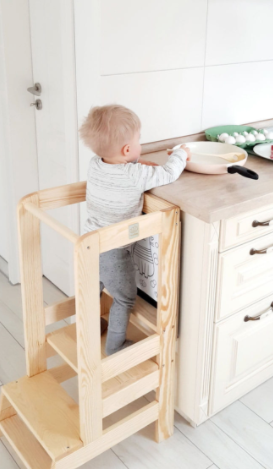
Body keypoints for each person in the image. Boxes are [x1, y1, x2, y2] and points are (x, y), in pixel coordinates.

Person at [79, 104, 190, 355]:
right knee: (124, 298)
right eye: (138, 140)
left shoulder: (95, 164)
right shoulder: (134, 175)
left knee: (92, 289)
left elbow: (122, 169)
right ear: (127, 150)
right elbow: (168, 173)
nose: (140, 144)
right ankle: (115, 346)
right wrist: (181, 154)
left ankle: (89, 329)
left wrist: (137, 163)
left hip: (88, 242)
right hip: (113, 251)